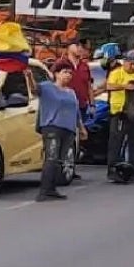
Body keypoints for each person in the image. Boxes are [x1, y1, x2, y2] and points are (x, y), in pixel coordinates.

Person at [34, 62, 86, 202]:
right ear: (56, 73)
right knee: (51, 158)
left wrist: (81, 127)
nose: (68, 75)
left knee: (59, 160)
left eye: (70, 73)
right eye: (64, 72)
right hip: (52, 127)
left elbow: (76, 112)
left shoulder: (71, 92)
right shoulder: (47, 87)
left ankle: (51, 189)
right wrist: (28, 77)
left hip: (68, 129)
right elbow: (34, 89)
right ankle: (44, 191)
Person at [104, 50, 134, 182]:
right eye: (129, 63)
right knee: (115, 142)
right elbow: (108, 85)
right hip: (119, 112)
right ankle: (112, 171)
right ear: (124, 62)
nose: (131, 66)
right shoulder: (116, 73)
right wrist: (125, 86)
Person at [52, 43, 93, 180]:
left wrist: (92, 104)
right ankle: (60, 166)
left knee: (76, 136)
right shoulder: (61, 63)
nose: (80, 49)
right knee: (65, 135)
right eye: (77, 46)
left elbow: (89, 86)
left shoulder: (84, 66)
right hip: (64, 105)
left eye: (81, 47)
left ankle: (70, 165)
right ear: (69, 49)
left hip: (81, 104)